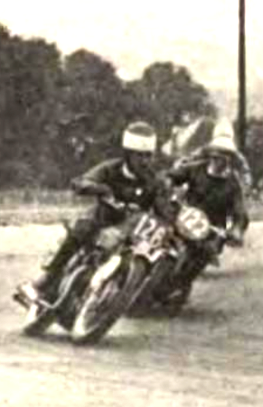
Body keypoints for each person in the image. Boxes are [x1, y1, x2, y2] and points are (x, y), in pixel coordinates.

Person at [18, 121, 162, 305]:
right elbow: (80, 182)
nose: (144, 161)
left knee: (151, 253)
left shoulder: (152, 181)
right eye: (139, 155)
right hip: (100, 221)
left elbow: (162, 206)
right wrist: (101, 189)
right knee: (82, 229)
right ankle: (42, 281)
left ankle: (133, 297)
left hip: (128, 233)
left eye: (148, 156)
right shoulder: (110, 169)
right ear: (128, 154)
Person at [164, 134, 249, 280]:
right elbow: (172, 176)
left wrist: (236, 230)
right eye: (214, 156)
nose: (217, 160)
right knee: (163, 233)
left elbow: (240, 212)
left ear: (229, 160)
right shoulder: (195, 169)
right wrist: (168, 185)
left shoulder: (233, 184)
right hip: (186, 215)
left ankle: (184, 283)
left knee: (207, 251)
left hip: (211, 228)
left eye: (222, 158)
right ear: (210, 155)